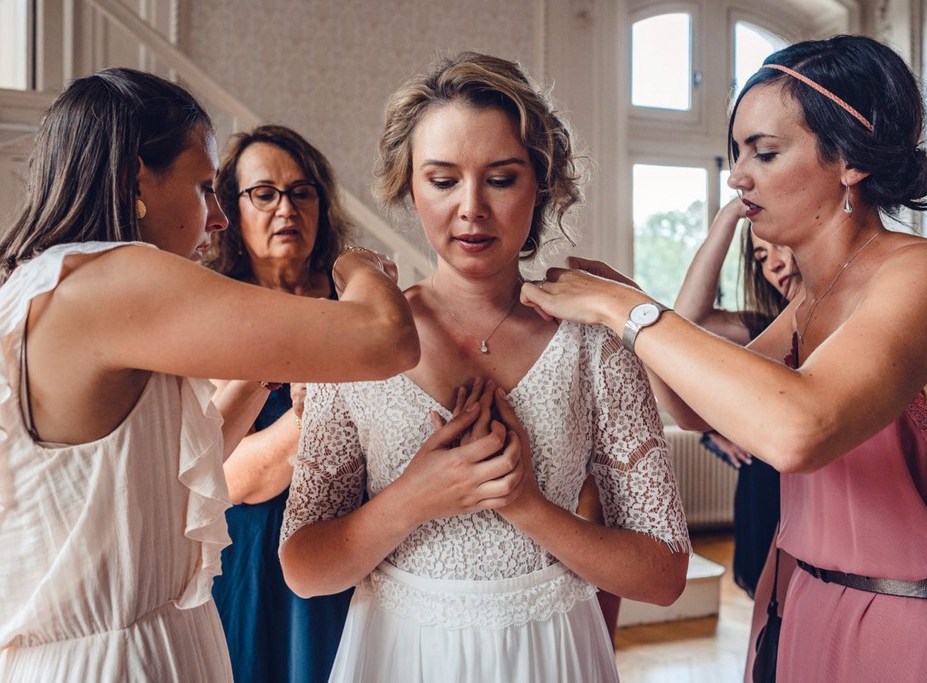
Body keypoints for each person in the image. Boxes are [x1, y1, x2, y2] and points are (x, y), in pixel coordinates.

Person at [523, 35, 927, 681]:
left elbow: (799, 430)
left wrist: (625, 313)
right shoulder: (815, 295)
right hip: (804, 604)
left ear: (850, 161)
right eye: (736, 153)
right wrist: (634, 302)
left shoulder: (925, 276)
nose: (737, 176)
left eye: (765, 152)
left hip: (919, 628)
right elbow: (696, 409)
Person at [0, 68, 419, 682]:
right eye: (203, 187)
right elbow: (389, 339)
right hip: (115, 664)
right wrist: (357, 263)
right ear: (138, 177)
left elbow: (175, 469)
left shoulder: (58, 282)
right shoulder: (114, 279)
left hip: (142, 644)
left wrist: (273, 364)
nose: (216, 217)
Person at [279, 51, 690, 682]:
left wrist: (526, 505)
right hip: (400, 654)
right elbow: (304, 569)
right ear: (409, 185)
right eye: (443, 181)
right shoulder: (358, 345)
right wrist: (411, 500)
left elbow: (663, 575)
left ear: (540, 185)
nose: (471, 208)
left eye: (500, 178)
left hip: (550, 654)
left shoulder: (591, 345)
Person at [203, 124, 355, 682]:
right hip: (252, 558)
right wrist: (308, 423)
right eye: (263, 193)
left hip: (347, 544)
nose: (285, 207)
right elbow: (227, 477)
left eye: (301, 191)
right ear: (231, 212)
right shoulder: (212, 314)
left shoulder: (357, 309)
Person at [674, 198, 799, 597]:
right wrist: (728, 217)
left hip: (829, 499)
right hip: (765, 485)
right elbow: (685, 324)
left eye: (780, 245)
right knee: (765, 602)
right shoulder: (762, 327)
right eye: (761, 255)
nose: (774, 264)